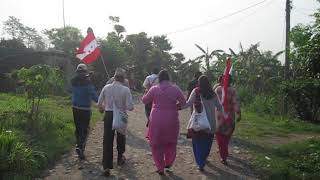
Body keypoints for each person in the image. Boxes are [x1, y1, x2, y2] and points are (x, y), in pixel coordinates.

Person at [142, 70, 186, 175]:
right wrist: (176, 106)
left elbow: (144, 101)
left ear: (159, 79)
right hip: (172, 118)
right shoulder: (175, 89)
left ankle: (160, 167)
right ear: (168, 78)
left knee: (156, 144)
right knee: (171, 142)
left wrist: (145, 92)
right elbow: (183, 102)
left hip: (156, 118)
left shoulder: (154, 89)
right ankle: (169, 162)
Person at [181, 75, 224, 171]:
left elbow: (188, 104)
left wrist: (178, 107)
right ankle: (203, 158)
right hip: (210, 123)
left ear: (199, 83)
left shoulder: (196, 91)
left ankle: (200, 163)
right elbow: (219, 107)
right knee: (207, 143)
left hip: (197, 123)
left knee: (196, 143)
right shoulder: (213, 93)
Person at [97, 68, 134, 176]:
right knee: (121, 136)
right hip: (121, 115)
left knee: (107, 139)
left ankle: (106, 166)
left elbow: (99, 103)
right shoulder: (125, 90)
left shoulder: (106, 87)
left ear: (114, 77)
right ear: (123, 79)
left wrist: (102, 108)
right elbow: (130, 107)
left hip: (108, 114)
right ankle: (120, 158)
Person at [71, 63, 98, 160]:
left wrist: (87, 77)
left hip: (75, 107)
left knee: (78, 128)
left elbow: (80, 78)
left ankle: (78, 144)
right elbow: (93, 95)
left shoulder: (73, 81)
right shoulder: (88, 83)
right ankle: (81, 147)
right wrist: (100, 102)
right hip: (85, 109)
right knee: (85, 128)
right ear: (85, 72)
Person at [215, 75, 241, 165]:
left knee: (219, 137)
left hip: (218, 118)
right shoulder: (233, 90)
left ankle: (223, 154)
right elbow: (236, 103)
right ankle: (224, 154)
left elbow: (212, 102)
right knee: (226, 138)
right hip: (229, 118)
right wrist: (239, 113)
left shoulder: (217, 89)